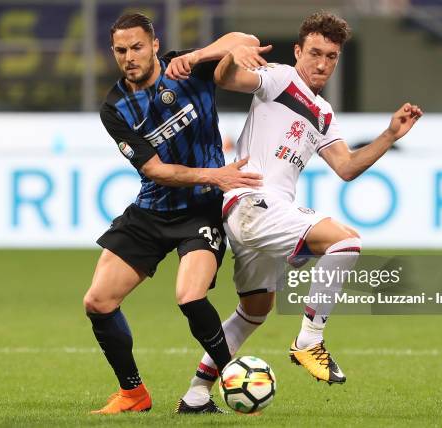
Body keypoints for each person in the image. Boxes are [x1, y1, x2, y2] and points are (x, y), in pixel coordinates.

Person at [179, 10, 423, 408]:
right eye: (315, 53)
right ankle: (310, 338)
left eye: (331, 56)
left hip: (261, 212)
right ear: (298, 51)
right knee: (346, 243)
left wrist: (390, 134)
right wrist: (233, 52)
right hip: (252, 202)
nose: (322, 64)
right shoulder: (279, 78)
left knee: (254, 310)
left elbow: (346, 167)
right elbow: (226, 79)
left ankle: (195, 393)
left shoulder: (324, 114)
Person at [82, 13, 263, 414]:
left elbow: (244, 37)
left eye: (137, 47)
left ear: (155, 45)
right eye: (120, 50)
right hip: (151, 211)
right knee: (98, 301)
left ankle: (231, 377)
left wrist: (197, 54)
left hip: (200, 210)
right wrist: (215, 175)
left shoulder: (190, 69)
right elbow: (155, 170)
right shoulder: (116, 107)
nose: (129, 57)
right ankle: (133, 393)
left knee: (189, 295)